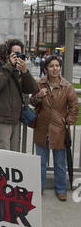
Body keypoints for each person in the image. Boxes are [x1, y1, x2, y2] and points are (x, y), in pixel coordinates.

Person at [30, 55, 78, 201]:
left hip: (59, 130)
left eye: (57, 65)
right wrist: (39, 96)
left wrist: (67, 121)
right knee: (40, 162)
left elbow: (74, 106)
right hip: (42, 128)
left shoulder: (67, 86)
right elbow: (33, 102)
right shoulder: (40, 84)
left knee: (60, 163)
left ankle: (61, 189)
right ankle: (38, 189)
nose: (55, 68)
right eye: (52, 66)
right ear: (46, 69)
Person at [0, 39, 37, 152]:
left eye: (20, 54)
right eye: (15, 54)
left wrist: (25, 72)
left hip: (15, 120)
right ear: (6, 53)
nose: (18, 57)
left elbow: (32, 89)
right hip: (0, 119)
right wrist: (9, 66)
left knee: (13, 155)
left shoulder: (17, 71)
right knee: (1, 155)